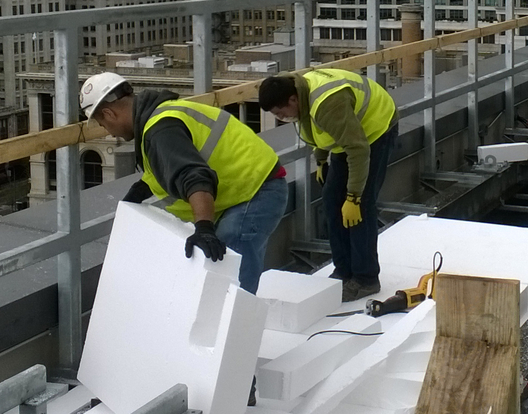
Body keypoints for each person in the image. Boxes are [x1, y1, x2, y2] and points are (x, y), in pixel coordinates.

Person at [80, 71, 288, 295]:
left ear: (109, 113)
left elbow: (193, 175)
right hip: (253, 187)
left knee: (230, 279)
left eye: (103, 125)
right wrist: (146, 186)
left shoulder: (160, 129)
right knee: (226, 273)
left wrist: (204, 229)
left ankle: (236, 327)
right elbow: (178, 160)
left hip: (257, 192)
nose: (109, 133)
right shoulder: (163, 114)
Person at [257, 68, 396, 303]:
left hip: (375, 131)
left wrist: (353, 197)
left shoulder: (327, 102)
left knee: (360, 208)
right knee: (332, 201)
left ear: (292, 99)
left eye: (281, 112)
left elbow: (358, 148)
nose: (282, 118)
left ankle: (366, 278)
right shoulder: (301, 94)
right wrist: (321, 158)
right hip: (349, 137)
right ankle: (343, 272)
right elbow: (321, 129)